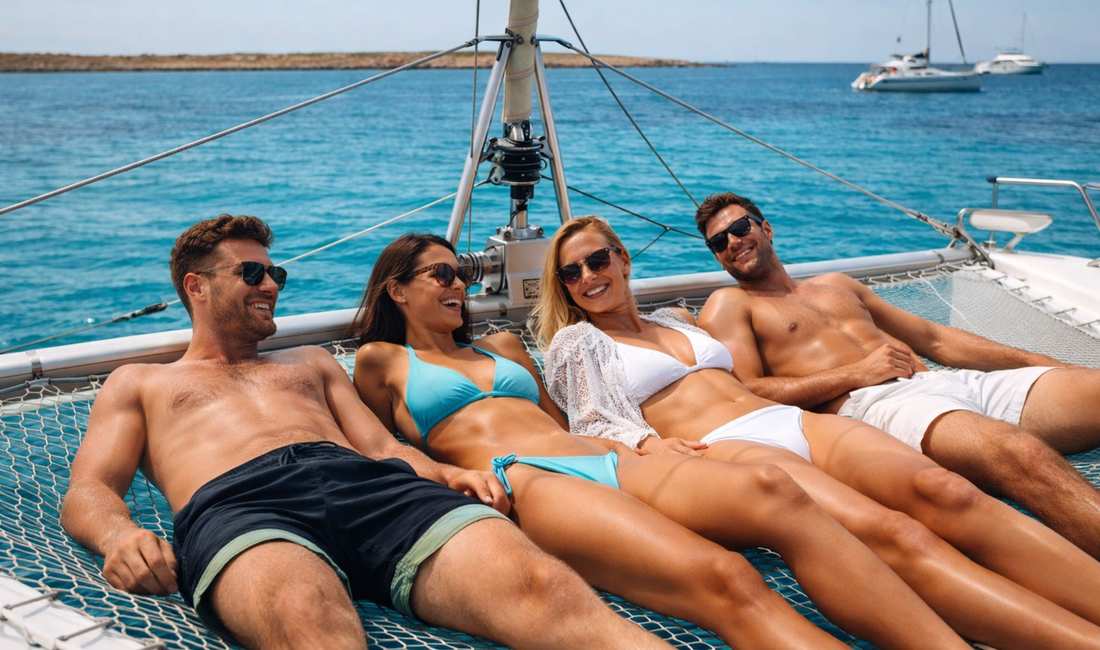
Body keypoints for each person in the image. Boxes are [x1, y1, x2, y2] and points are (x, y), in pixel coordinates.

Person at [60, 215, 665, 650]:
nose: (271, 285)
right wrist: (120, 537)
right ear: (196, 286)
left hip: (371, 486)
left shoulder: (311, 363)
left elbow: (381, 446)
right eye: (252, 272)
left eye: (275, 272)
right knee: (307, 616)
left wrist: (446, 472)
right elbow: (89, 489)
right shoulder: (141, 382)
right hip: (242, 505)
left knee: (542, 586)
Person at [351, 233, 969, 649]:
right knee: (720, 578)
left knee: (771, 492)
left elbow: (572, 420)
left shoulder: (504, 346)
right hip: (527, 478)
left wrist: (643, 440)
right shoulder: (382, 361)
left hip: (611, 457)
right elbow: (380, 450)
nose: (459, 284)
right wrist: (450, 478)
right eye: (442, 274)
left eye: (461, 273)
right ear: (398, 290)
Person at [536, 215, 1100, 649]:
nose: (588, 277)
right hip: (728, 444)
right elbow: (590, 423)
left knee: (947, 492)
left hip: (795, 421)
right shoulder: (577, 342)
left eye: (597, 260)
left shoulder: (675, 318)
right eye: (571, 272)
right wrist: (648, 444)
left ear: (622, 258)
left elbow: (757, 372)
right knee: (891, 534)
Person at [694, 191, 1100, 560]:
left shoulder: (836, 285)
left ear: (765, 229)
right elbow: (745, 393)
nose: (732, 242)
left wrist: (1038, 362)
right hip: (879, 408)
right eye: (718, 242)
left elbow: (934, 339)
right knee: (1018, 451)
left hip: (942, 383)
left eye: (740, 228)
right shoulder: (730, 304)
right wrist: (856, 373)